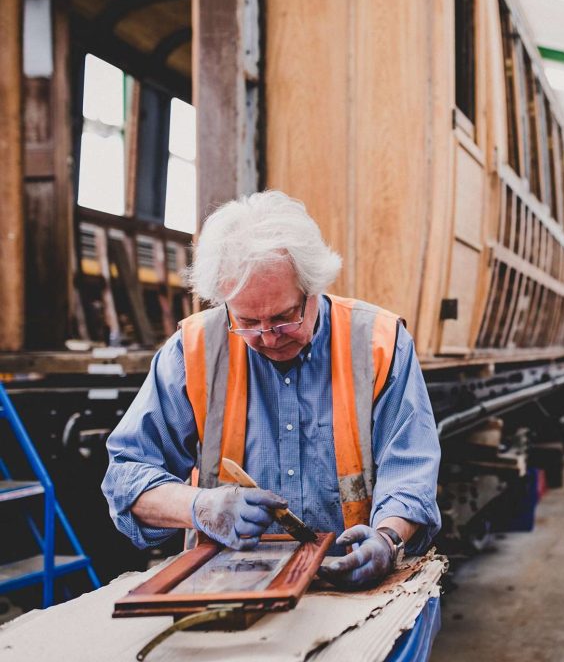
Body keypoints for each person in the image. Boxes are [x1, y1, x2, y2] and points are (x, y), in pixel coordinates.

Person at [102, 191, 441, 588]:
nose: (267, 337)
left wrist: (386, 539)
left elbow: (410, 472)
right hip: (228, 583)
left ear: (313, 289)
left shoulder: (379, 343)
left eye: (284, 318)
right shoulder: (193, 350)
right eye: (246, 320)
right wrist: (201, 506)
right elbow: (125, 477)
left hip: (355, 582)